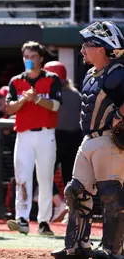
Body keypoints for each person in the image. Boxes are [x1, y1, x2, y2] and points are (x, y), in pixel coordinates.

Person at [51, 21, 124, 258]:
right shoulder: (91, 74)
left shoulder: (118, 72)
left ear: (101, 48)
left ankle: (113, 249)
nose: (82, 49)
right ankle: (77, 246)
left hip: (109, 141)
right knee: (75, 191)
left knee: (111, 194)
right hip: (88, 140)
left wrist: (119, 118)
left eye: (87, 45)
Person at [5, 41, 62, 236]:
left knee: (45, 179)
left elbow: (55, 105)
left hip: (46, 134)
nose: (29, 60)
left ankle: (44, 221)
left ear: (41, 58)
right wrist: (23, 100)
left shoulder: (52, 79)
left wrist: (37, 98)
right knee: (22, 177)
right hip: (24, 134)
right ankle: (21, 218)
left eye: (33, 57)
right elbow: (8, 107)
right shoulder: (16, 81)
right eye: (26, 57)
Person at [43, 61, 82, 223]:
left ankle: (59, 203)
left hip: (56, 137)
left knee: (44, 173)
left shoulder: (51, 94)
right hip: (76, 138)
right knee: (69, 176)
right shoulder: (76, 94)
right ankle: (72, 210)